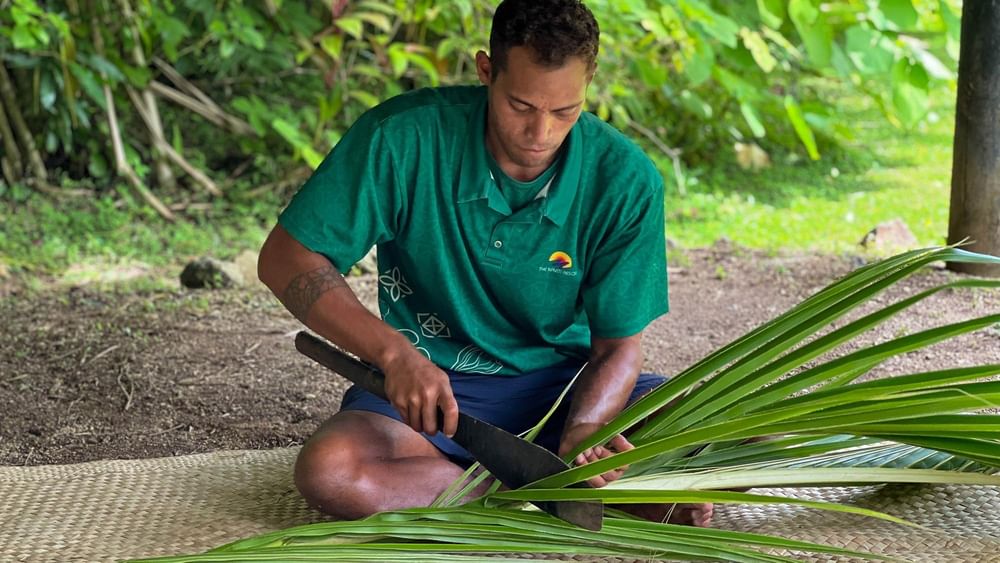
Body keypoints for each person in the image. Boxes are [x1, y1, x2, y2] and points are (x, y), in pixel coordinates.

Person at [257, 0, 711, 527]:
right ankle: (543, 492)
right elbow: (284, 258)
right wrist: (394, 354)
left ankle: (534, 485)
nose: (540, 134)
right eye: (521, 105)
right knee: (332, 473)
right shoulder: (403, 139)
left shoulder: (625, 178)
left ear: (588, 86)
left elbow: (617, 348)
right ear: (486, 71)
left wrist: (587, 429)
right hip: (430, 392)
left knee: (736, 436)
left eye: (565, 111)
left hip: (566, 389)